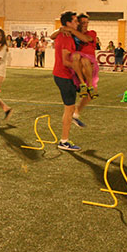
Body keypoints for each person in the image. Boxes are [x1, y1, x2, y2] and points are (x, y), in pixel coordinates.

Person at [53, 11, 90, 151]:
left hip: (64, 76)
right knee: (69, 110)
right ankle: (64, 141)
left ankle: (65, 137)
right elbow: (66, 61)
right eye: (74, 21)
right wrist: (81, 67)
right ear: (68, 23)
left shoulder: (64, 35)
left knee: (70, 108)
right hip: (64, 76)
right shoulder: (66, 38)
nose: (77, 23)